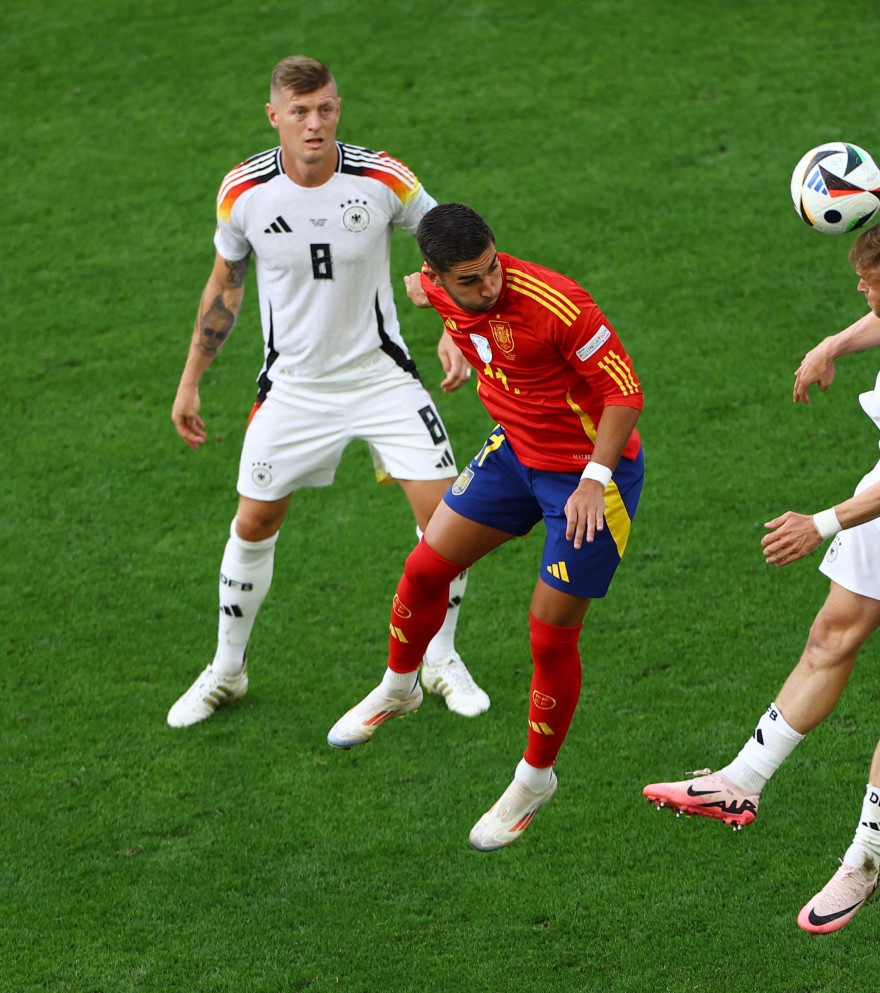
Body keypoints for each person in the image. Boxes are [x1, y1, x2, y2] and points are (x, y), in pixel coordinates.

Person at [643, 211, 880, 934]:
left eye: (866, 284)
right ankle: (738, 782)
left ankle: (863, 862)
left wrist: (823, 523)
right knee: (830, 635)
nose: (860, 291)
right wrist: (834, 342)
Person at [167, 56, 489, 728]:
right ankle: (227, 669)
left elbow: (450, 242)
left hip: (381, 377)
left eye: (328, 108)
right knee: (253, 521)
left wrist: (454, 327)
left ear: (337, 108)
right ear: (275, 116)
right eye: (301, 111)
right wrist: (191, 379)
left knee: (447, 521)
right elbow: (226, 283)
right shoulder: (243, 192)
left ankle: (439, 659)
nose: (316, 123)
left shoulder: (380, 178)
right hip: (293, 387)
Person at [327, 203, 644, 853]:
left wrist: (594, 479)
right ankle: (399, 687)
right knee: (424, 568)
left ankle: (533, 779)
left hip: (585, 481)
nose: (489, 286)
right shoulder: (431, 291)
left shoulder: (559, 306)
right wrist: (456, 337)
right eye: (469, 281)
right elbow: (440, 306)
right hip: (514, 453)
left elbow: (625, 393)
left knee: (549, 633)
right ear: (436, 278)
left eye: (492, 268)